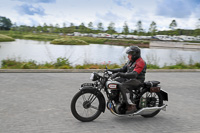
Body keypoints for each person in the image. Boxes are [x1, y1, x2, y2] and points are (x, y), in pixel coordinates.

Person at [108, 45, 146, 114]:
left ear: (135, 55)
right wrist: (111, 70)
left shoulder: (140, 62)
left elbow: (134, 74)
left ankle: (130, 105)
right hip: (129, 78)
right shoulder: (130, 61)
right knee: (115, 82)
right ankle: (117, 100)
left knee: (123, 85)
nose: (128, 56)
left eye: (129, 54)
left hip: (137, 80)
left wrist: (119, 74)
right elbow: (122, 69)